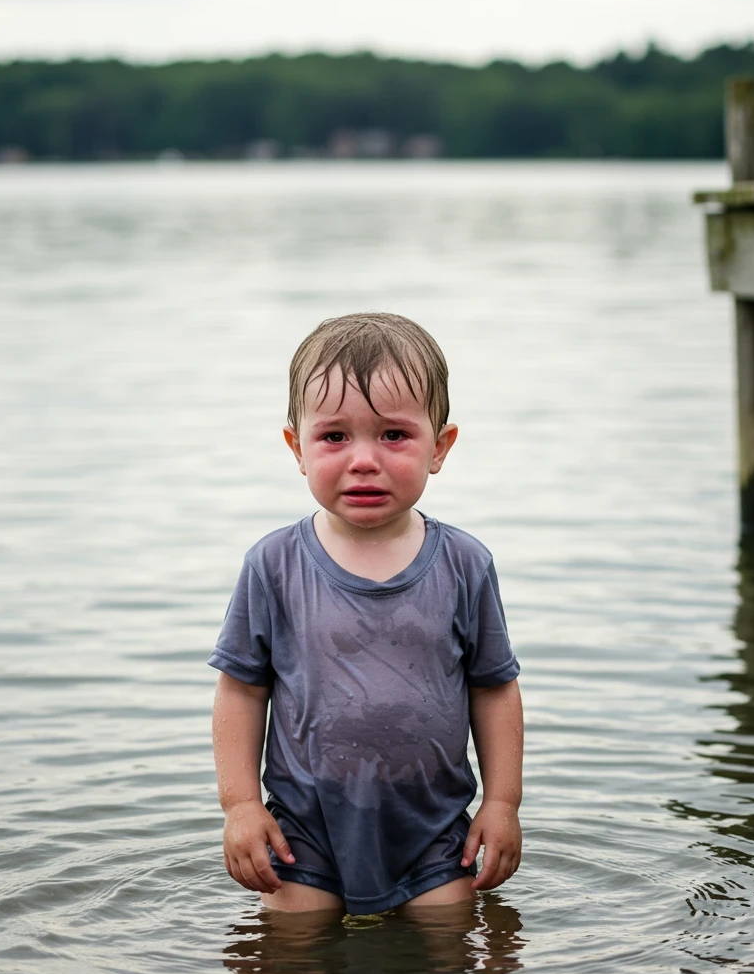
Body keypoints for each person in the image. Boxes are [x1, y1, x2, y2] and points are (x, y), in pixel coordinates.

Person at [209, 312, 523, 915]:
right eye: (334, 437)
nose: (363, 460)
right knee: (286, 952)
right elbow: (241, 692)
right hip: (306, 830)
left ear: (441, 446)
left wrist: (502, 804)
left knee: (451, 950)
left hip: (434, 832)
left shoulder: (464, 564)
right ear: (297, 448)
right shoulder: (274, 565)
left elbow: (494, 689)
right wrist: (241, 806)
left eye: (393, 435)